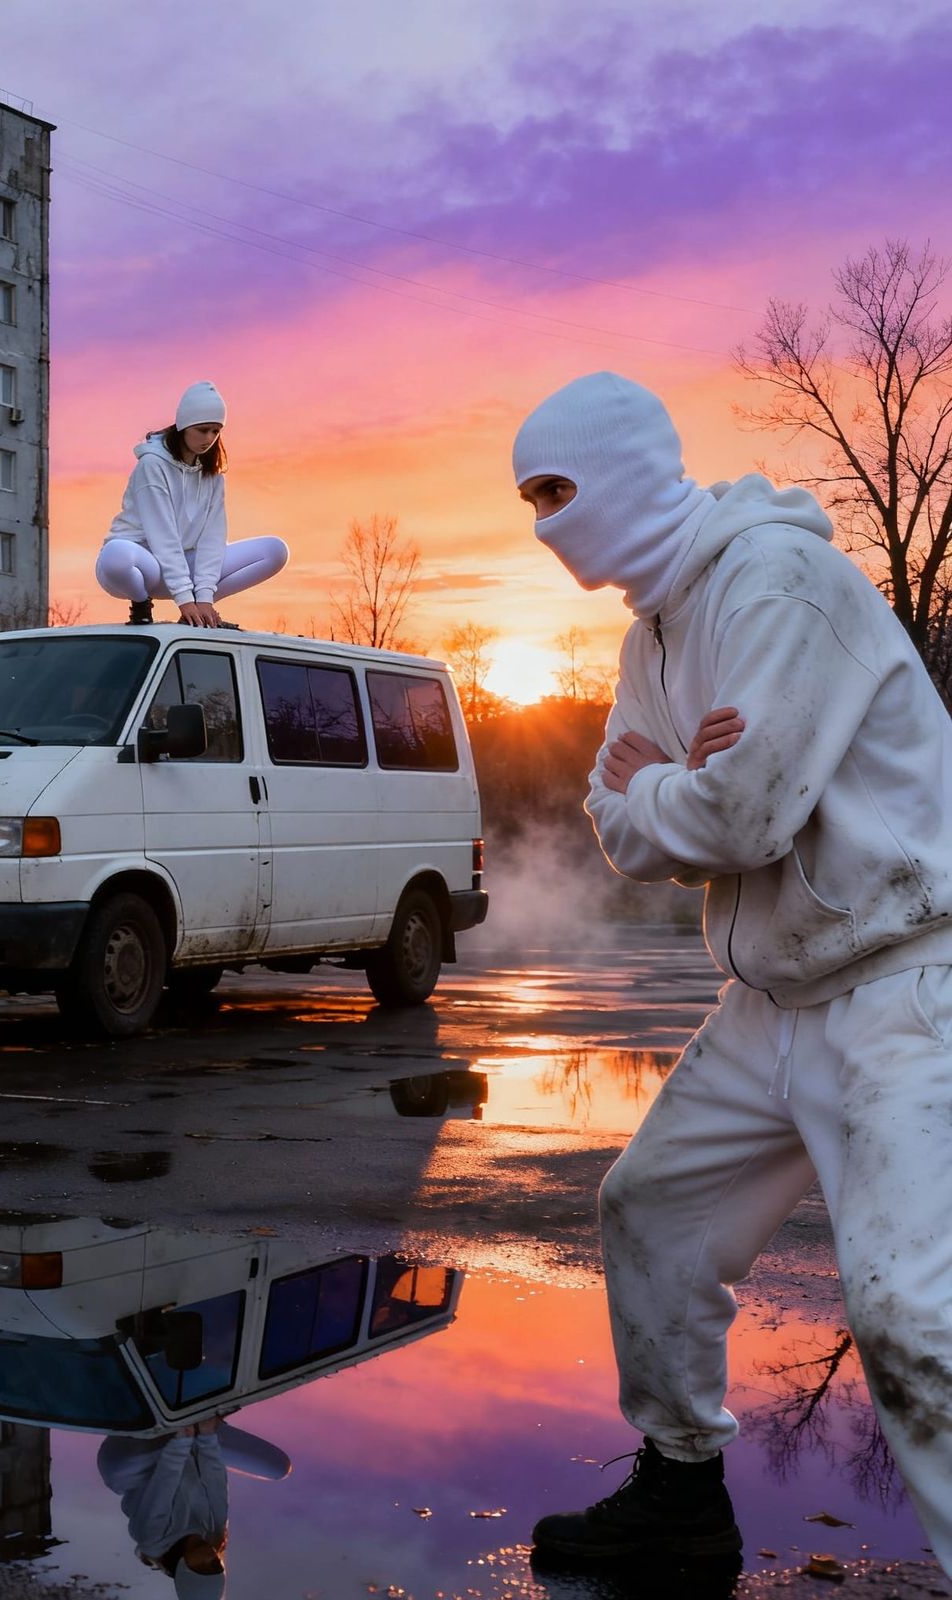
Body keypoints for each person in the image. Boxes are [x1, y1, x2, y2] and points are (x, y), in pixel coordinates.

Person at [511, 371, 952, 1572]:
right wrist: (669, 787)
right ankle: (681, 1498)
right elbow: (623, 826)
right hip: (772, 994)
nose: (547, 522)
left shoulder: (776, 579)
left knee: (915, 1321)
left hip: (903, 988)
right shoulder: (651, 630)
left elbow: (743, 814)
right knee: (649, 1208)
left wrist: (667, 787)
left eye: (558, 488)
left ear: (620, 468)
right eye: (530, 499)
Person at [96, 381, 289, 627]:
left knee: (275, 551)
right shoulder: (152, 465)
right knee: (116, 554)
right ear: (185, 426)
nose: (209, 438)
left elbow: (212, 538)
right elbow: (162, 534)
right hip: (142, 568)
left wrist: (204, 597)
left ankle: (199, 612)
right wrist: (183, 598)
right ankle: (141, 605)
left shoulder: (213, 475)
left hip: (187, 570)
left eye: (215, 431)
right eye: (202, 429)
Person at [97, 1417, 290, 1598]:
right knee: (278, 1467)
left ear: (183, 1571)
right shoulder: (214, 1535)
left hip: (132, 1464)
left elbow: (164, 1483)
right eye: (215, 1565)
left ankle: (170, 1422)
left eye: (202, 1567)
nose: (209, 1558)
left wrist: (182, 1439)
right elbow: (215, 1482)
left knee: (153, 1443)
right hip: (185, 1452)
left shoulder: (152, 1538)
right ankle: (196, 1420)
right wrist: (207, 1437)